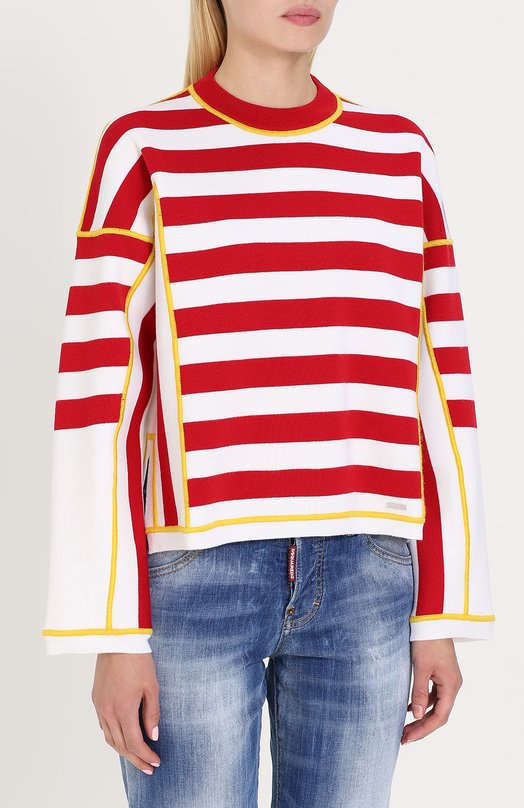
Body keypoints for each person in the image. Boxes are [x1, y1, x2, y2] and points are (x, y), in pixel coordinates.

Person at [41, 1, 496, 805]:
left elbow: (438, 389)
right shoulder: (145, 149)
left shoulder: (398, 154)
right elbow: (100, 397)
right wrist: (112, 630)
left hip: (368, 573)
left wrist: (440, 615)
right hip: (195, 576)